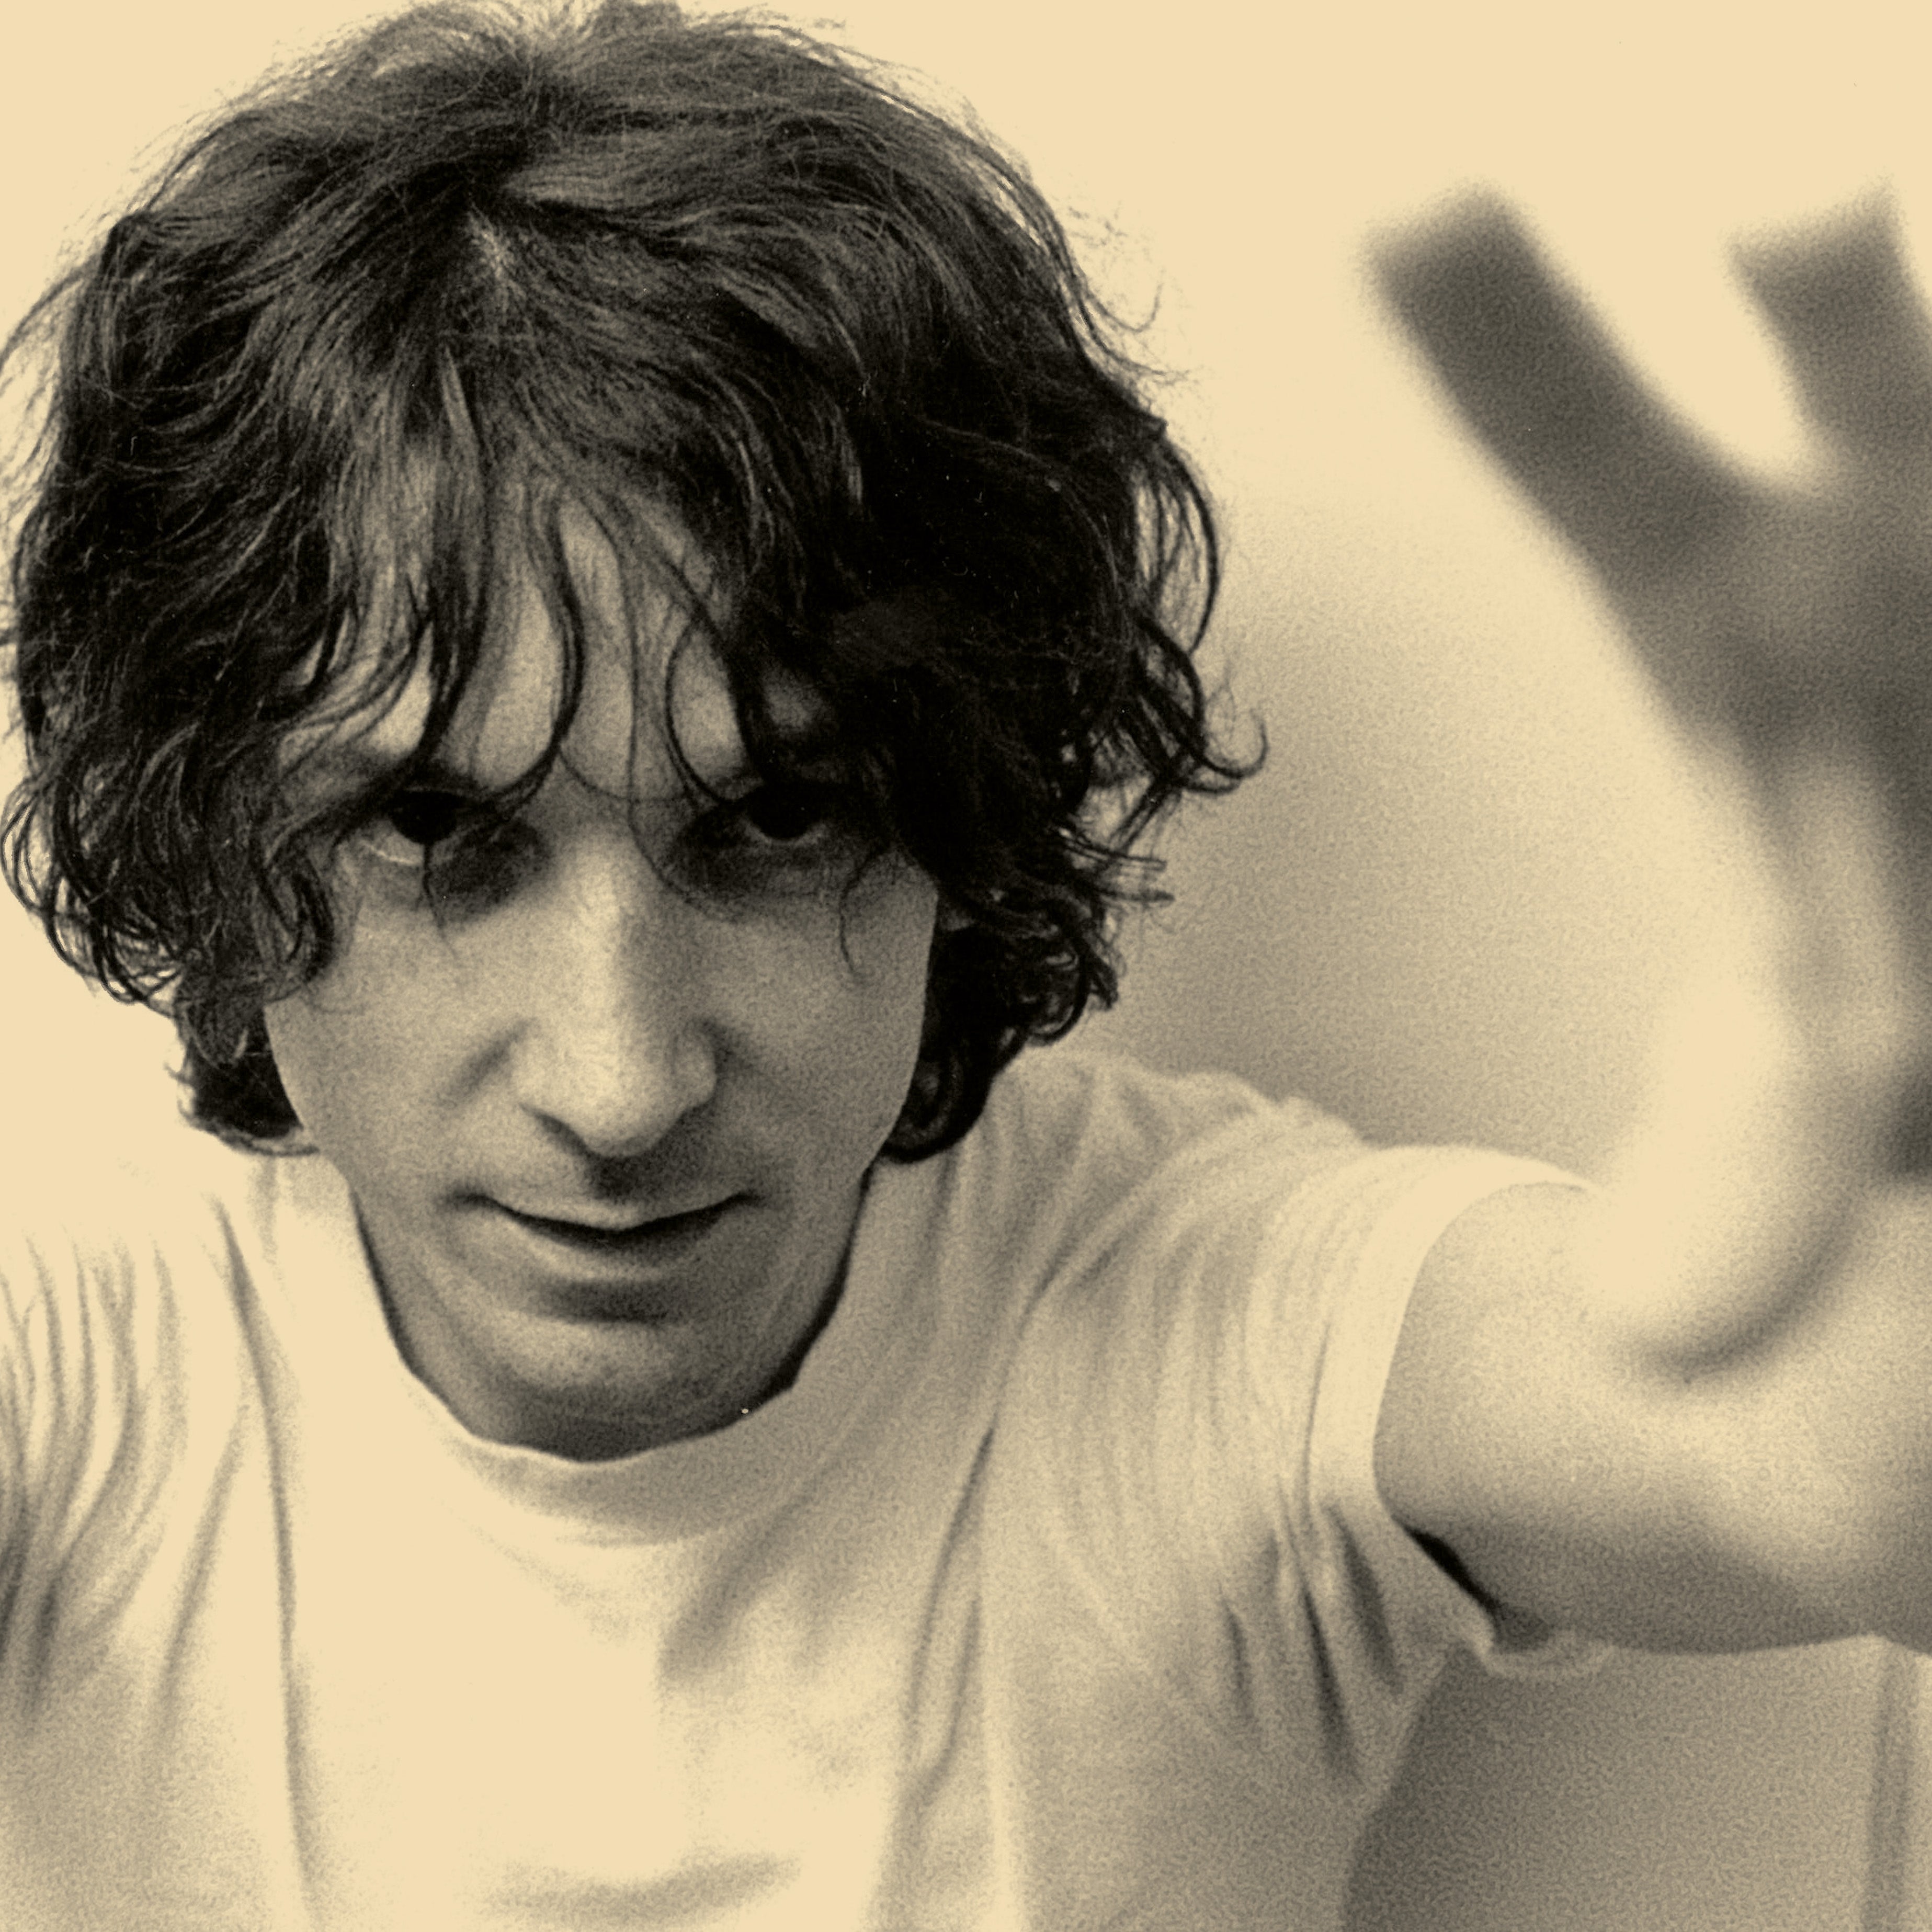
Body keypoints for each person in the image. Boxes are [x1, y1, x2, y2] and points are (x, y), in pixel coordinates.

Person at [1, 2, 1927, 1926]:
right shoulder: (88, 1357)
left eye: (777, 820)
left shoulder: (1201, 1325)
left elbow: (1857, 1478)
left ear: (965, 810)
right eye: (434, 830)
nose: (621, 1082)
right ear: (207, 820)